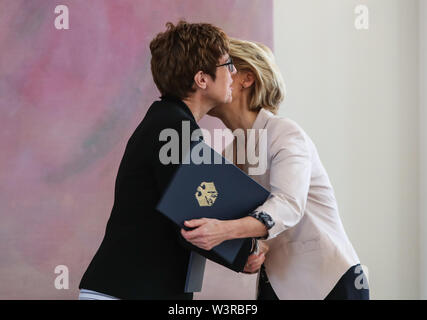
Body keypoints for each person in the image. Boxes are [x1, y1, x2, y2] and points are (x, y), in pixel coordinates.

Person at [78, 22, 267, 300]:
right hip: (127, 291)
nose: (234, 73)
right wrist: (246, 252)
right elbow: (191, 216)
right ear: (202, 79)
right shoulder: (175, 127)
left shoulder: (168, 120)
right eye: (228, 65)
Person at [181, 38, 370, 300]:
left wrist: (225, 231)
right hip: (278, 287)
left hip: (330, 283)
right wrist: (248, 251)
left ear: (247, 78)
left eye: (225, 68)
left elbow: (288, 205)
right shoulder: (230, 153)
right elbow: (231, 219)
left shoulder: (285, 132)